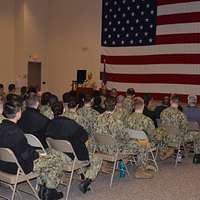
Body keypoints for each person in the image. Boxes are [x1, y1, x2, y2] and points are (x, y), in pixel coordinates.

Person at [0, 100, 66, 200]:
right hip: (17, 167)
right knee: (55, 160)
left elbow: (20, 148)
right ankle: (49, 192)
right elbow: (27, 155)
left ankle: (43, 187)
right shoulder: (15, 132)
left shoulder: (2, 127)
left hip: (3, 165)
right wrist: (39, 154)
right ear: (18, 114)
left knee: (46, 160)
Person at [46, 102, 102, 193]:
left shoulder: (49, 124)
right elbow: (84, 136)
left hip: (55, 154)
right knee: (97, 158)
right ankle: (86, 182)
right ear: (64, 110)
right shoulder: (70, 124)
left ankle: (81, 173)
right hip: (70, 157)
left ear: (52, 112)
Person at [95, 96, 154, 179]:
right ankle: (140, 171)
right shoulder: (117, 121)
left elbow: (95, 133)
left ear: (104, 106)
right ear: (115, 106)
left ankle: (104, 164)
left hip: (100, 148)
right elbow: (126, 138)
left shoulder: (97, 118)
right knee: (141, 145)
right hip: (115, 150)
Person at [159, 95, 188, 160]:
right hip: (176, 139)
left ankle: (165, 151)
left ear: (170, 101)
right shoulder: (181, 115)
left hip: (164, 137)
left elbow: (161, 124)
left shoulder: (163, 112)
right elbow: (184, 130)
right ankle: (170, 151)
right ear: (179, 103)